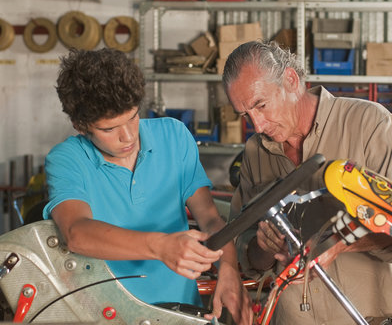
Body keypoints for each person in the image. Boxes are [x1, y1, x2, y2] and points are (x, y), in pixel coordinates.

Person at [43, 48, 252, 324]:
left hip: (180, 313)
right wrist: (161, 246)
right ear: (81, 125)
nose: (128, 136)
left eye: (132, 116)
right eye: (109, 129)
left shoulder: (174, 136)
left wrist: (228, 266)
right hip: (105, 315)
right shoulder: (67, 160)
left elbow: (211, 219)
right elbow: (76, 232)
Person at [222, 41, 392, 324]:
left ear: (291, 80)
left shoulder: (370, 124)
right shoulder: (256, 152)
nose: (257, 125)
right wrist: (262, 247)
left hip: (372, 316)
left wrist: (336, 242)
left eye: (261, 105)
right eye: (245, 114)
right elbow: (247, 253)